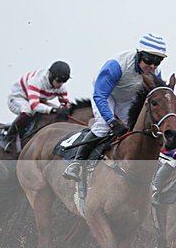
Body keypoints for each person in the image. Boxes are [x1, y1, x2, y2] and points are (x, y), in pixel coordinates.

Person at [63, 33, 167, 181]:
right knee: (103, 126)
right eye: (149, 60)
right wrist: (112, 122)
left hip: (128, 98)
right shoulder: (116, 65)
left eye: (158, 62)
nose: (152, 66)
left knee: (136, 128)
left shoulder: (155, 73)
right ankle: (77, 163)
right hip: (107, 96)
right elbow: (100, 96)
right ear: (139, 54)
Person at [2, 61, 72, 150]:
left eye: (64, 81)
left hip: (37, 99)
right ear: (51, 76)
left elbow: (66, 103)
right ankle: (8, 137)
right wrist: (54, 110)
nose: (61, 84)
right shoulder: (37, 81)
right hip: (18, 98)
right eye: (59, 80)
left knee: (54, 111)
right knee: (28, 111)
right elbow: (34, 105)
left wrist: (65, 108)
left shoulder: (61, 87)